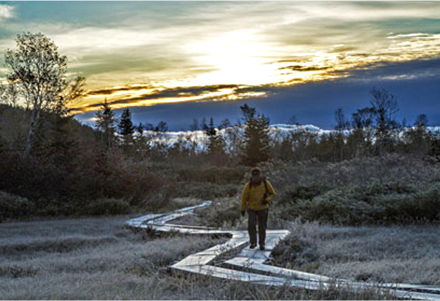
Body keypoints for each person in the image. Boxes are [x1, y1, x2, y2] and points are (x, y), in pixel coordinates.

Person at [240, 167, 276, 250]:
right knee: (251, 225)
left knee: (262, 226)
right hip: (251, 208)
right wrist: (242, 209)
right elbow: (244, 198)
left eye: (257, 175)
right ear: (252, 176)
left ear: (260, 175)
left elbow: (273, 194)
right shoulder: (248, 185)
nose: (256, 178)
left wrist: (266, 200)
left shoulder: (265, 183)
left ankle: (262, 243)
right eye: (254, 176)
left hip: (263, 208)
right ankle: (253, 242)